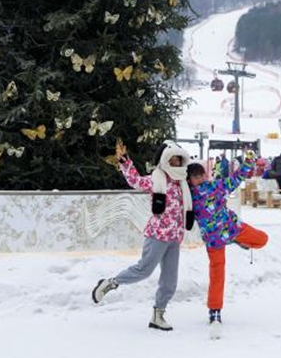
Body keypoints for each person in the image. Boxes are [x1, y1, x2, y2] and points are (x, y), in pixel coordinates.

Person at [92, 140, 195, 331]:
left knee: (170, 281)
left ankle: (158, 315)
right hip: (157, 235)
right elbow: (135, 181)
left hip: (174, 238)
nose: (176, 163)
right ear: (164, 160)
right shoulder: (157, 178)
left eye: (178, 160)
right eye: (172, 160)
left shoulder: (183, 184)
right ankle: (110, 283)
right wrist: (125, 162)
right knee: (144, 270)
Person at [187, 153, 270, 337]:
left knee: (263, 239)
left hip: (232, 228)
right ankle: (214, 310)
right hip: (214, 240)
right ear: (189, 180)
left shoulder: (215, 186)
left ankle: (236, 240)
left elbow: (235, 179)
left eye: (201, 175)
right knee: (217, 274)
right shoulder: (188, 196)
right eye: (195, 176)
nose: (199, 178)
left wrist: (247, 164)